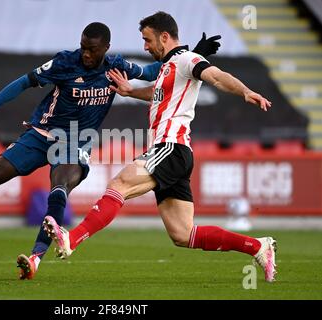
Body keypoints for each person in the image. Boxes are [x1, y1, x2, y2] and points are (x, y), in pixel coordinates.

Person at [0, 21, 221, 280]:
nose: (86, 54)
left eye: (92, 50)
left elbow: (155, 70)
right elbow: (23, 83)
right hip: (40, 134)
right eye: (83, 47)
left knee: (59, 187)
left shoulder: (116, 66)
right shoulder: (64, 62)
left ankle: (34, 258)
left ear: (105, 49)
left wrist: (192, 54)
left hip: (76, 143)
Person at [43, 12, 277, 282]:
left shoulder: (187, 60)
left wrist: (244, 91)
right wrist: (130, 91)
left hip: (170, 146)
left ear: (164, 37)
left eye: (147, 40)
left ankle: (71, 239)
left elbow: (216, 76)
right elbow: (158, 92)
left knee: (119, 184)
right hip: (177, 153)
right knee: (183, 234)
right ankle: (258, 246)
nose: (145, 46)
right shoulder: (171, 66)